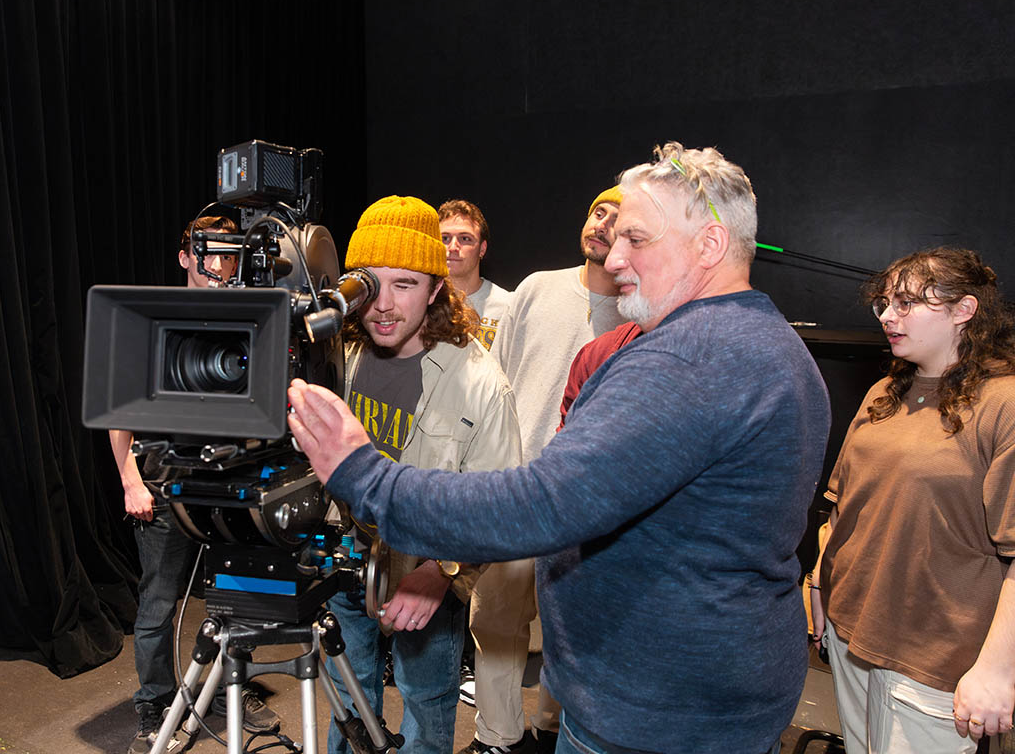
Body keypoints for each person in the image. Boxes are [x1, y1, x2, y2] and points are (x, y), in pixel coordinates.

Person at [287, 142, 831, 754]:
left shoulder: (691, 360)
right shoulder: (763, 341)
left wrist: (362, 473)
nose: (615, 256)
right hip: (678, 698)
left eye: (637, 239)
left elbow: (539, 504)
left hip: (660, 717)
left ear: (708, 245)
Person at [325, 195, 521, 754]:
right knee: (346, 692)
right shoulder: (342, 355)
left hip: (426, 569)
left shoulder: (481, 383)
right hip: (344, 557)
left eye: (405, 284)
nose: (383, 306)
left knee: (424, 701)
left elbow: (497, 506)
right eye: (371, 284)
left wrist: (441, 573)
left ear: (437, 288)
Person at [811, 247, 1015, 753]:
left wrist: (995, 671)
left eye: (905, 303)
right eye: (883, 303)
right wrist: (817, 579)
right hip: (851, 631)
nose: (886, 315)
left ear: (964, 310)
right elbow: (843, 505)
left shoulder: (1004, 402)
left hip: (933, 659)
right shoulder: (884, 391)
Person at [462, 185, 627, 754]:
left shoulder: (640, 311)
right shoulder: (536, 288)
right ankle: (497, 737)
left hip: (584, 503)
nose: (602, 223)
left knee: (571, 632)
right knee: (496, 623)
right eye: (596, 210)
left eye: (618, 217)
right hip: (516, 486)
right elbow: (494, 377)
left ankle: (554, 731)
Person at [112, 215, 279, 754]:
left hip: (228, 483)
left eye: (230, 254)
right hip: (162, 485)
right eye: (209, 253)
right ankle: (154, 703)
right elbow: (119, 408)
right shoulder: (152, 319)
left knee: (231, 595)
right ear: (185, 257)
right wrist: (129, 480)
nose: (220, 264)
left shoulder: (246, 319)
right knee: (160, 600)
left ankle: (230, 685)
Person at [439, 199, 510, 350]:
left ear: (482, 249)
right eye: (445, 238)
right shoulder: (421, 304)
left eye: (465, 239)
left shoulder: (508, 306)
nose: (452, 247)